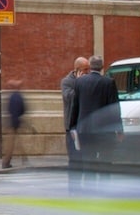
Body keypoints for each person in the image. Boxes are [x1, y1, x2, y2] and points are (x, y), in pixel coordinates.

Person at [67, 56, 122, 191]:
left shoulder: (79, 82)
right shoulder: (109, 83)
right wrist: (119, 129)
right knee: (105, 161)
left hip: (84, 129)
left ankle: (89, 189)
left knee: (87, 159)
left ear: (90, 67)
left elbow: (75, 106)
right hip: (104, 130)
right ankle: (104, 188)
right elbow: (114, 108)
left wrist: (72, 127)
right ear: (102, 67)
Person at [60, 56, 87, 190]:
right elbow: (69, 97)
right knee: (74, 159)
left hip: (84, 127)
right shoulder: (67, 81)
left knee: (84, 160)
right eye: (85, 70)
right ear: (77, 70)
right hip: (72, 127)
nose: (87, 72)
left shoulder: (86, 81)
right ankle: (74, 188)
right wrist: (78, 83)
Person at [0, 79, 27, 169]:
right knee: (11, 144)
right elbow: (23, 109)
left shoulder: (12, 96)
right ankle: (6, 162)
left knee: (13, 142)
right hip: (14, 123)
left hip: (11, 122)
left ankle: (23, 158)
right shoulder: (18, 97)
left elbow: (9, 110)